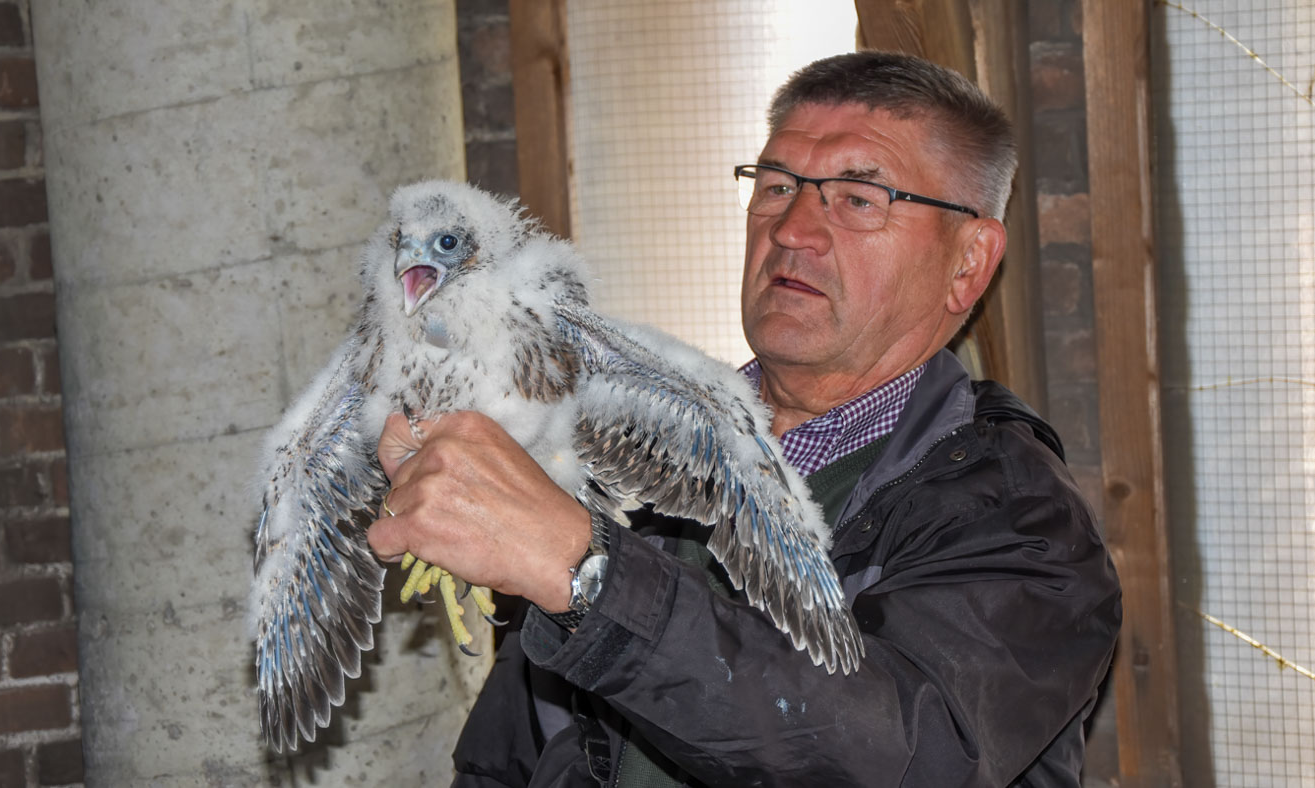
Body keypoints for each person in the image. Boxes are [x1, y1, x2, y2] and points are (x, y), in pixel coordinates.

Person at [367, 51, 1122, 787]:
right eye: (776, 184)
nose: (793, 228)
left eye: (858, 200)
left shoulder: (1024, 526)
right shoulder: (642, 452)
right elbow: (512, 751)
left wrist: (587, 571)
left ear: (968, 264)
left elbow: (901, 752)